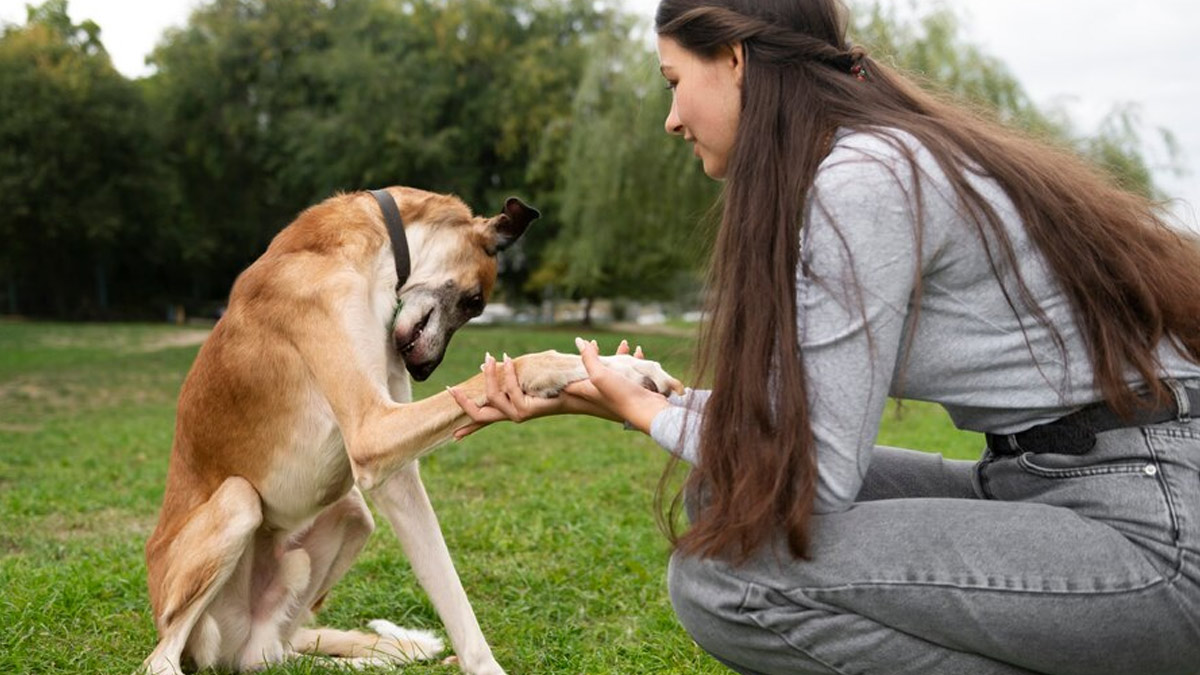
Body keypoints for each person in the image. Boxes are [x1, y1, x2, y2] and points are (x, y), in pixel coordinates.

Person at [449, 0, 1200, 672]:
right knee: (722, 493)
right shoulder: (870, 160)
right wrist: (618, 398)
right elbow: (796, 418)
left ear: (736, 59)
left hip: (1152, 529)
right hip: (1057, 480)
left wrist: (644, 412)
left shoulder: (866, 179)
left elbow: (811, 465)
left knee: (725, 579)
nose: (671, 118)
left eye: (672, 81)